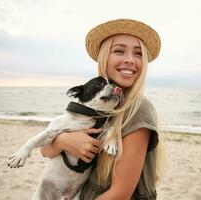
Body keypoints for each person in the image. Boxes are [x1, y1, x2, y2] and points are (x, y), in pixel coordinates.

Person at [41, 18, 164, 200]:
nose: (130, 60)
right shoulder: (102, 105)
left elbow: (120, 194)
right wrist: (64, 140)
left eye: (138, 54)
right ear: (104, 57)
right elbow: (45, 151)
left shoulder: (137, 110)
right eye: (119, 51)